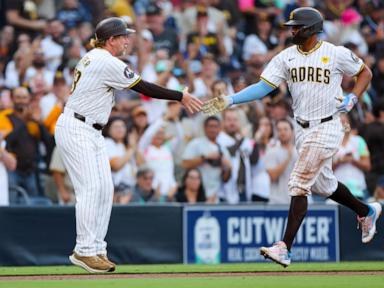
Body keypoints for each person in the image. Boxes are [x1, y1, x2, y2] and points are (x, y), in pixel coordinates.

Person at [202, 7, 381, 267]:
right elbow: (264, 87)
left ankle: (284, 247)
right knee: (324, 186)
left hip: (328, 125)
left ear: (310, 29)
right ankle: (366, 211)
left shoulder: (335, 53)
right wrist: (230, 99)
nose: (292, 30)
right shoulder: (285, 57)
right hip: (302, 128)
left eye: (296, 26)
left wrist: (354, 95)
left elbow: (365, 72)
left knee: (298, 182)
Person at [54, 17, 202, 273]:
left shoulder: (95, 56)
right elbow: (143, 87)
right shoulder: (104, 60)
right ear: (111, 40)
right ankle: (84, 250)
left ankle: (97, 248)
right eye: (123, 36)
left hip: (90, 129)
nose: (127, 40)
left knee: (105, 188)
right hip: (77, 127)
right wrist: (180, 96)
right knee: (91, 188)